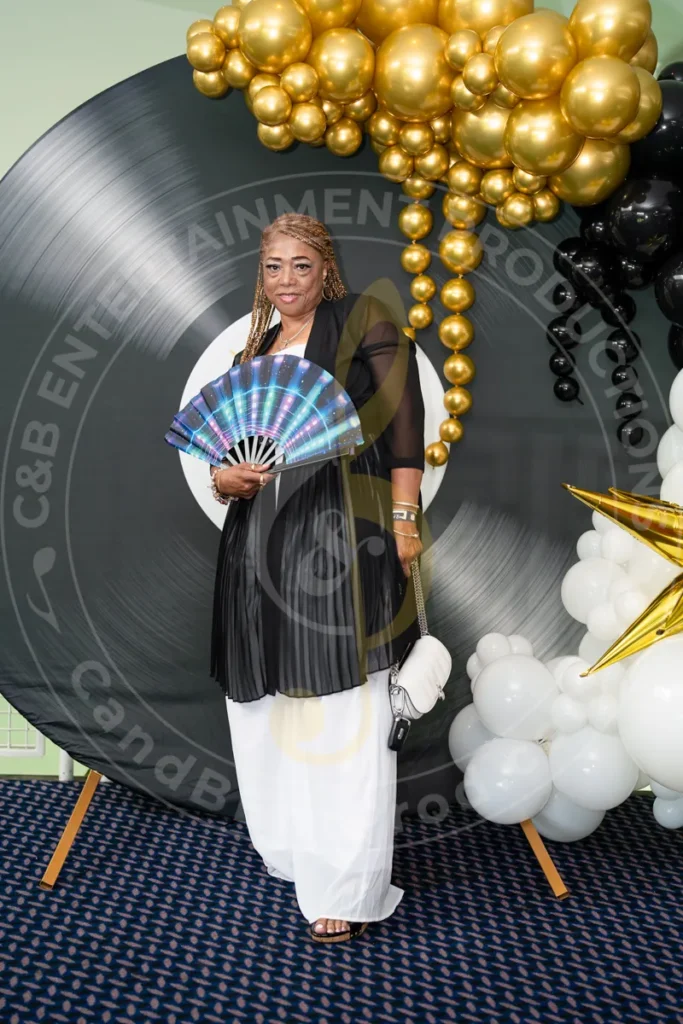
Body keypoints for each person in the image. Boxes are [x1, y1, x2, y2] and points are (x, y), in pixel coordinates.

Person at [209, 212, 425, 943]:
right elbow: (233, 450)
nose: (287, 280)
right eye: (273, 266)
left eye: (301, 265)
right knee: (266, 705)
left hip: (338, 534)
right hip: (255, 543)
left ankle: (345, 884)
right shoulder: (255, 349)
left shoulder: (364, 320)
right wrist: (224, 480)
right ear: (261, 274)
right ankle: (296, 850)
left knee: (342, 709)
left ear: (325, 268)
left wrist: (404, 519)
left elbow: (403, 423)